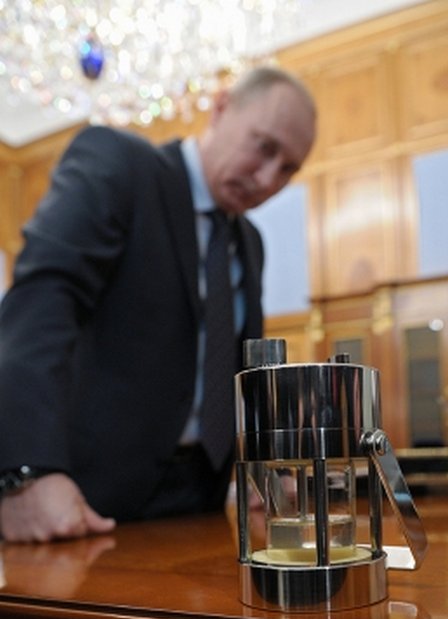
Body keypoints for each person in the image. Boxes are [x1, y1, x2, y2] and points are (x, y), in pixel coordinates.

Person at [0, 66, 316, 543]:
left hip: (200, 502)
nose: (269, 178)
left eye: (289, 168)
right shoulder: (118, 164)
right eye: (264, 147)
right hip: (82, 502)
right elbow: (42, 302)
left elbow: (240, 370)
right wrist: (26, 470)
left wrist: (266, 467)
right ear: (222, 107)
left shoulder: (250, 241)